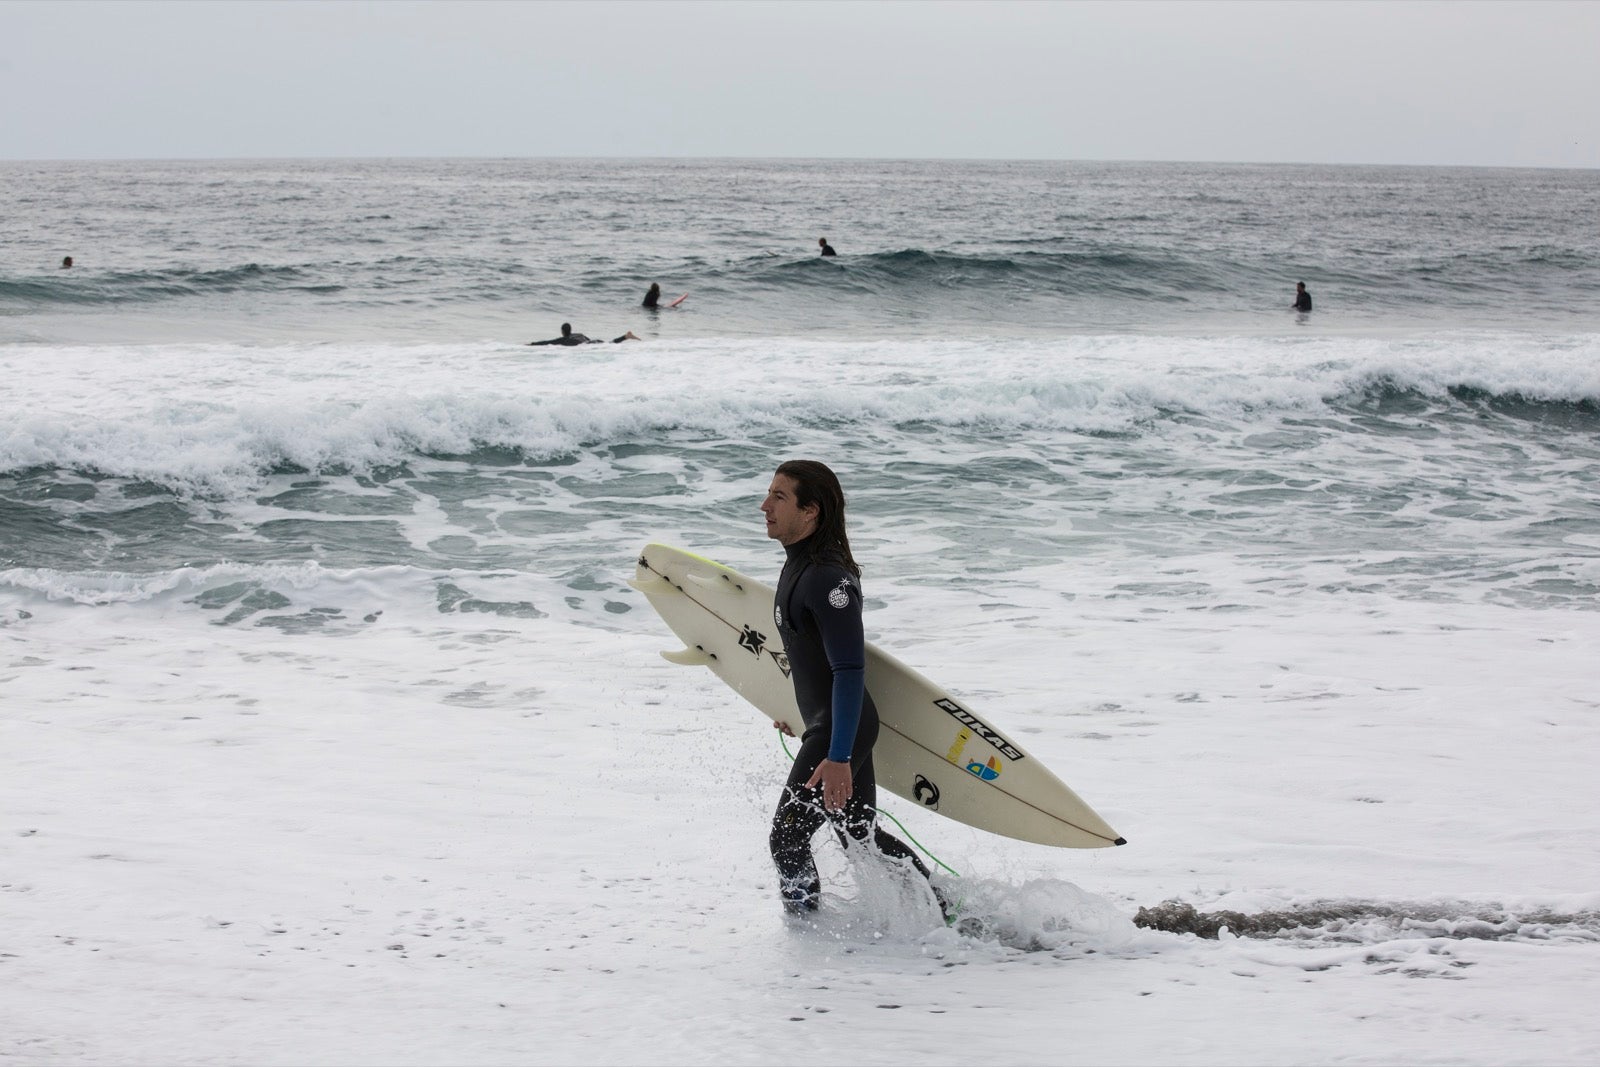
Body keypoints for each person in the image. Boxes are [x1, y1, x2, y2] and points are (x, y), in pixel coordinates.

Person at [760, 459, 944, 918]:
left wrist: (839, 756)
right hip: (830, 726)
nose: (765, 506)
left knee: (787, 837)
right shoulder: (798, 568)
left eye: (779, 497)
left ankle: (805, 932)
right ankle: (945, 911)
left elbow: (848, 669)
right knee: (856, 834)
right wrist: (796, 712)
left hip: (841, 732)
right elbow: (810, 663)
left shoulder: (828, 580)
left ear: (811, 512)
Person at [528, 323, 638, 345]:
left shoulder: (563, 340)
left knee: (611, 344)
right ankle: (625, 336)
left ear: (562, 332)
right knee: (610, 343)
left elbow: (548, 342)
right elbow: (587, 339)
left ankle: (626, 336)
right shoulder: (579, 334)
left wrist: (533, 344)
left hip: (587, 346)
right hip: (592, 342)